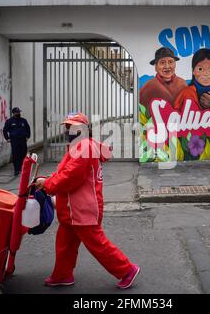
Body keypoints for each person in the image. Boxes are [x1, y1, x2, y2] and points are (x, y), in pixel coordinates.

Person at [34, 112, 140, 289]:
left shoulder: (84, 148)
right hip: (72, 209)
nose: (68, 130)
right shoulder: (80, 146)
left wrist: (48, 184)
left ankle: (127, 270)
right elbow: (64, 173)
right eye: (67, 127)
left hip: (82, 209)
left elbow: (70, 177)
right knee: (64, 245)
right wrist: (47, 180)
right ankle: (62, 275)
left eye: (72, 127)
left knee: (98, 245)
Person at [3, 107, 31, 176]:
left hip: (22, 140)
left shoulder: (23, 120)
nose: (18, 113)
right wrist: (7, 138)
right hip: (14, 140)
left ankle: (22, 167)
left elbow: (28, 128)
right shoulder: (9, 121)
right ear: (13, 113)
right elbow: (5, 130)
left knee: (23, 154)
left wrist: (27, 136)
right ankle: (16, 169)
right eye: (17, 112)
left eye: (19, 112)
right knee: (15, 155)